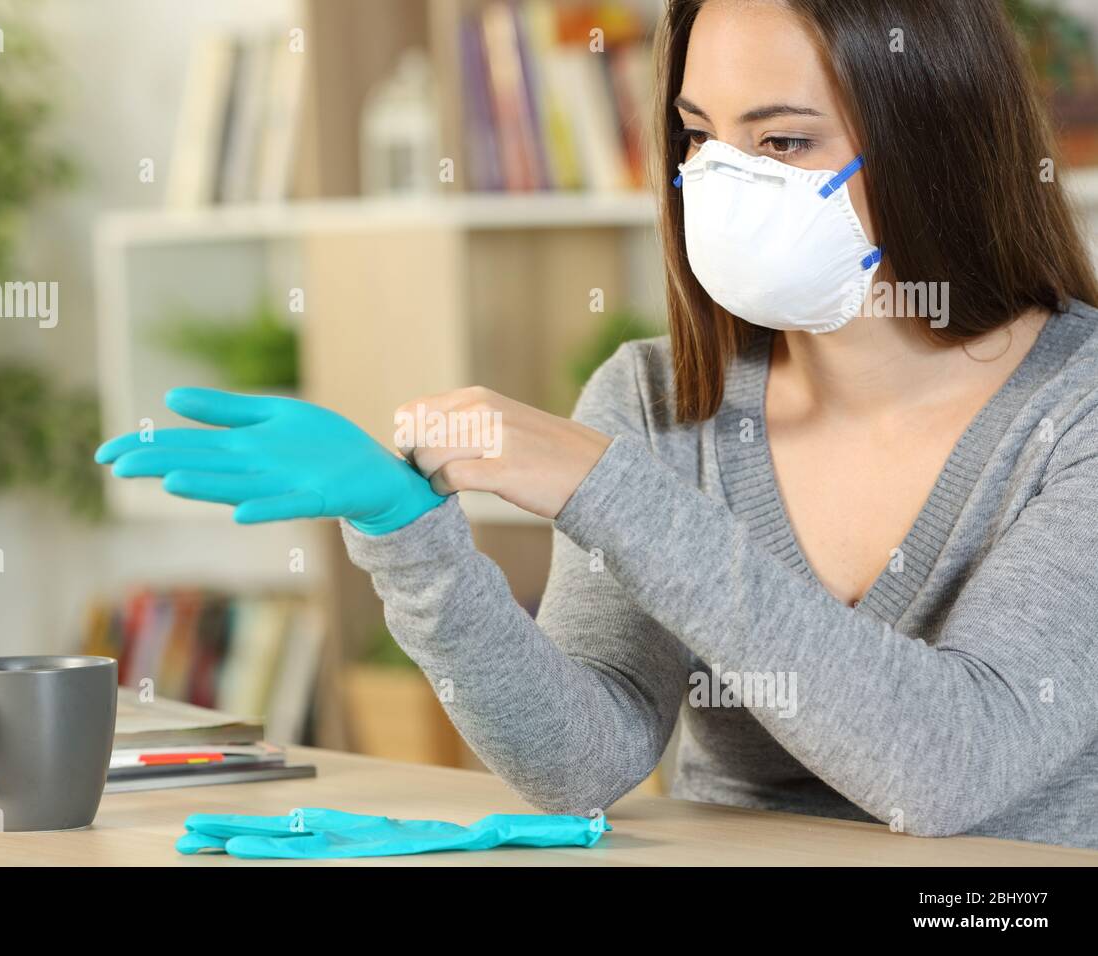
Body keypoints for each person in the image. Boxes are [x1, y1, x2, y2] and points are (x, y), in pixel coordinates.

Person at [97, 0, 1098, 847]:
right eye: (699, 135)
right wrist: (410, 538)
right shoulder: (656, 398)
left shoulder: (1076, 407)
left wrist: (603, 487)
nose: (721, 179)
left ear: (934, 137)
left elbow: (950, 767)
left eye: (783, 141)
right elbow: (583, 760)